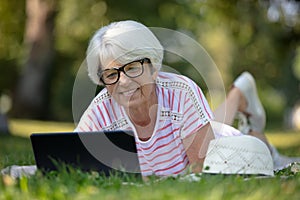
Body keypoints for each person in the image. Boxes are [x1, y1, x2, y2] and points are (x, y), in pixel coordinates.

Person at [75, 20, 299, 179]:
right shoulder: (100, 109)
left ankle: (243, 105)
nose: (122, 82)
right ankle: (237, 95)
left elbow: (201, 169)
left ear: (153, 68)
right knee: (215, 125)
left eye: (132, 68)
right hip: (199, 130)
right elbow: (67, 160)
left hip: (219, 145)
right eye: (111, 74)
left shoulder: (181, 92)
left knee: (256, 152)